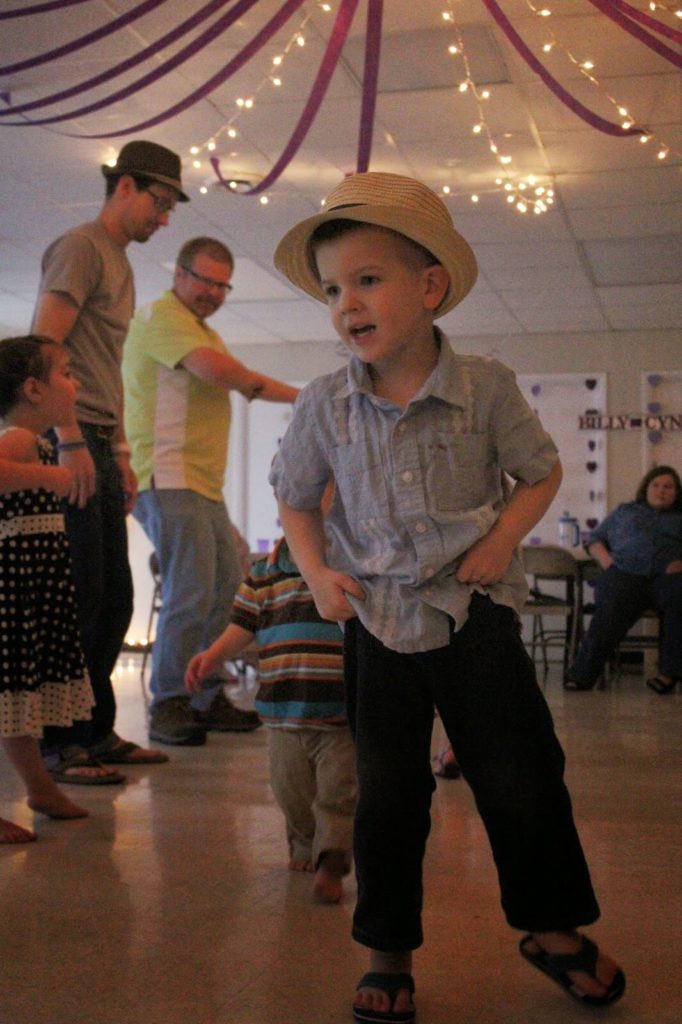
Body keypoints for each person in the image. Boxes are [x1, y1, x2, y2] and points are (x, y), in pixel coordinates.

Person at [269, 172, 625, 1023]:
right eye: (331, 289)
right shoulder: (324, 404)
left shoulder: (489, 387)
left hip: (475, 613)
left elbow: (540, 475)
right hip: (376, 622)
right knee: (389, 794)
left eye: (366, 279)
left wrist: (503, 539)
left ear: (429, 288)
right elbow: (292, 495)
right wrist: (317, 574)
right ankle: (387, 948)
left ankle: (553, 927)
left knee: (522, 775)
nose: (345, 304)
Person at [30, 140, 186, 781]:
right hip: (67, 437)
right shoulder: (80, 248)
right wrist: (68, 435)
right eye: (159, 201)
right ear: (124, 186)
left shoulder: (118, 264)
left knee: (115, 596)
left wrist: (119, 449)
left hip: (95, 436)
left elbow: (102, 367)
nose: (164, 218)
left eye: (171, 206)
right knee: (80, 595)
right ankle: (61, 745)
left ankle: (95, 733)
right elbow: (46, 347)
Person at [123, 236, 299, 746]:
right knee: (191, 593)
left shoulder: (202, 329)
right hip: (169, 476)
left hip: (202, 484)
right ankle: (171, 702)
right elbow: (226, 376)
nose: (215, 293)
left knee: (226, 589)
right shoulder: (162, 317)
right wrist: (307, 397)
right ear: (179, 274)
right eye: (206, 281)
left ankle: (205, 696)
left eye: (223, 285)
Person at [185, 520, 356, 903]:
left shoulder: (351, 564)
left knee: (339, 793)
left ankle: (332, 858)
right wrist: (212, 656)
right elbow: (242, 627)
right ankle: (304, 842)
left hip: (341, 712)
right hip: (283, 712)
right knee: (289, 790)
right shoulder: (264, 573)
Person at [0, 335, 100, 841]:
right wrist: (49, 478)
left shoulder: (33, 441)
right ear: (34, 388)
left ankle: (39, 786)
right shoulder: (17, 439)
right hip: (12, 590)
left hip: (31, 587)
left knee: (17, 701)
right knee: (10, 693)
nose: (75, 382)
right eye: (65, 372)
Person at [568, 464, 682, 693]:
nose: (662, 490)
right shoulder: (625, 512)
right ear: (646, 488)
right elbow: (595, 539)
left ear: (677, 492)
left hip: (668, 577)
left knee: (679, 601)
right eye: (656, 485)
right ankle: (582, 675)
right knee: (610, 608)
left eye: (668, 486)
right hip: (626, 574)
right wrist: (608, 562)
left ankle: (669, 674)